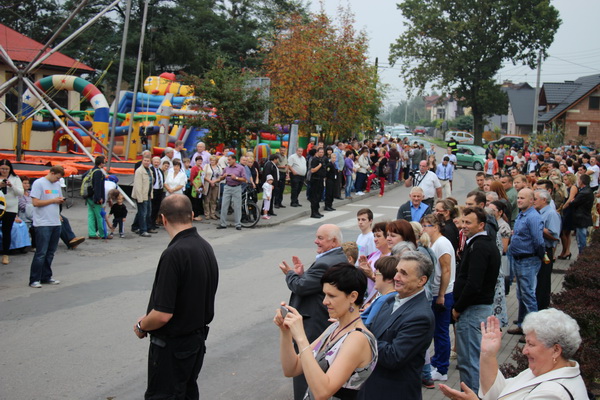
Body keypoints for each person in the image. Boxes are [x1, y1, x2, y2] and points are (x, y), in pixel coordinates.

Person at [133, 194, 219, 400]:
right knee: (187, 393)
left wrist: (142, 326)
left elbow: (163, 314)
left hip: (173, 347)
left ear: (163, 219)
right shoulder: (204, 246)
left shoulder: (174, 253)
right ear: (192, 215)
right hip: (195, 342)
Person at [275, 263, 378, 400]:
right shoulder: (335, 328)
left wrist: (300, 336)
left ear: (353, 296)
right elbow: (291, 369)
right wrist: (285, 332)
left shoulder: (358, 338)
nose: (325, 301)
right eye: (325, 295)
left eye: (332, 296)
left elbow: (322, 392)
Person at [439, 309, 588, 400]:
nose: (524, 350)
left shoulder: (554, 393)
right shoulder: (541, 371)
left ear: (556, 350)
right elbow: (499, 392)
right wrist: (488, 354)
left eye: (531, 344)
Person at [279, 224, 348, 400]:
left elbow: (301, 287)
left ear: (334, 241)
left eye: (320, 238)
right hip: (322, 321)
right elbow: (313, 284)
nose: (315, 241)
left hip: (314, 325)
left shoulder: (326, 263)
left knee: (306, 369)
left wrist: (290, 274)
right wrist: (302, 274)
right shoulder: (337, 257)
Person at [358, 251, 435, 400]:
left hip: (394, 393)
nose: (396, 277)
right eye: (397, 271)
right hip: (370, 388)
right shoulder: (390, 300)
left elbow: (394, 357)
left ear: (421, 280)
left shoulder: (421, 316)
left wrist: (360, 335)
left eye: (404, 273)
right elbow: (371, 329)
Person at [453, 207, 501, 395]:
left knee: (469, 361)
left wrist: (458, 307)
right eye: (463, 222)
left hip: (473, 311)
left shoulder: (479, 247)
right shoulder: (478, 243)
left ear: (481, 225)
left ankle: (472, 395)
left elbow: (474, 284)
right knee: (471, 360)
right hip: (476, 309)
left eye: (468, 223)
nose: (464, 226)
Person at [421, 213, 456, 382]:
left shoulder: (442, 243)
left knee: (441, 332)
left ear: (435, 227)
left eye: (426, 226)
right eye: (422, 226)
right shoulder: (433, 243)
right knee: (436, 331)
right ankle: (436, 362)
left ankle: (442, 369)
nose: (423, 229)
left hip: (442, 293)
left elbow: (446, 270)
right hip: (435, 292)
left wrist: (441, 294)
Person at [506, 189, 545, 337]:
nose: (519, 200)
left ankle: (533, 332)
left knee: (528, 295)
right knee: (521, 295)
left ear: (531, 200)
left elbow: (538, 241)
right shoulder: (522, 214)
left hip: (528, 260)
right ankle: (522, 325)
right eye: (518, 197)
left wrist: (538, 257)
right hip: (518, 259)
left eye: (523, 198)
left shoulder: (533, 217)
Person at [28, 166, 65, 288]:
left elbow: (57, 199)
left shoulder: (57, 185)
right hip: (42, 222)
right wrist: (53, 200)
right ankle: (34, 278)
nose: (57, 180)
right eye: (57, 177)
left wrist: (59, 204)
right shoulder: (39, 183)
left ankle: (46, 276)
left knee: (50, 252)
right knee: (41, 253)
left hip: (55, 221)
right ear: (52, 173)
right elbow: (35, 202)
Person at [533, 190, 560, 311]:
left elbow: (555, 235)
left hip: (546, 251)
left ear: (544, 200)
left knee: (543, 282)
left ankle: (542, 308)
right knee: (537, 282)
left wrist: (539, 227)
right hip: (537, 251)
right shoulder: (538, 212)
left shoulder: (551, 213)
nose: (533, 201)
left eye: (535, 199)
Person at [358, 222, 391, 305]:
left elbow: (387, 283)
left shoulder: (391, 257)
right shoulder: (374, 255)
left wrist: (371, 274)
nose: (375, 239)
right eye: (374, 236)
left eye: (378, 236)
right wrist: (363, 269)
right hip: (368, 298)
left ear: (388, 237)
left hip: (380, 300)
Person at [0, 159, 24, 265]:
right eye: (2, 169)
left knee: (7, 231)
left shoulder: (15, 178)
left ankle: (6, 255)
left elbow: (20, 193)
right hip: (0, 207)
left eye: (6, 169)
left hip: (10, 208)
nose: (4, 171)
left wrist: (11, 186)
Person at [217, 154, 247, 230]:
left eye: (229, 160)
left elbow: (244, 179)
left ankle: (238, 224)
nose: (228, 161)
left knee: (237, 206)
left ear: (234, 160)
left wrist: (235, 178)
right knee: (224, 205)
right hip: (227, 187)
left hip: (237, 187)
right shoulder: (226, 168)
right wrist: (223, 176)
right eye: (228, 160)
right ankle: (223, 223)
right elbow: (220, 178)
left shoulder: (240, 168)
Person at [568, 174, 594, 254]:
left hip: (581, 218)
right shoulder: (586, 190)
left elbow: (573, 203)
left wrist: (572, 201)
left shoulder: (584, 192)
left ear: (581, 181)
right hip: (582, 217)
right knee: (580, 238)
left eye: (578, 180)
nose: (577, 182)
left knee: (581, 239)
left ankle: (582, 254)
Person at [131, 157, 154, 238]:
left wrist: (151, 194)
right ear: (142, 161)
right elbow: (138, 185)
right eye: (145, 161)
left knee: (145, 212)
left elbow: (150, 184)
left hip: (147, 195)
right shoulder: (139, 171)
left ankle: (135, 227)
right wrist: (139, 198)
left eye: (148, 161)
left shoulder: (150, 171)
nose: (147, 162)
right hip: (141, 195)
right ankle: (143, 230)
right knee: (143, 213)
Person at [557, 174, 578, 259]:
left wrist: (563, 207)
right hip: (565, 210)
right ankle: (565, 251)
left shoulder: (573, 187)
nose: (564, 181)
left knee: (565, 232)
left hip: (569, 211)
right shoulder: (565, 187)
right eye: (564, 179)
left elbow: (570, 199)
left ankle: (566, 251)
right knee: (565, 232)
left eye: (566, 179)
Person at [87, 156, 106, 239]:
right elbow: (97, 186)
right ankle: (103, 234)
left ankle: (92, 233)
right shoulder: (98, 172)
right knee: (99, 216)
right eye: (104, 162)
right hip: (95, 197)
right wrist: (99, 198)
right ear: (101, 163)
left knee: (91, 216)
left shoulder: (91, 170)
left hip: (89, 196)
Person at [309, 147, 327, 219]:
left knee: (319, 197)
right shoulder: (315, 160)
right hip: (315, 180)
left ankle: (317, 211)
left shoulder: (322, 159)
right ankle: (313, 212)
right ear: (317, 152)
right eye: (320, 152)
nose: (321, 154)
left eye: (322, 152)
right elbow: (312, 170)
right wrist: (319, 166)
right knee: (314, 197)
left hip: (321, 180)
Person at [202, 155, 221, 220]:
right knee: (207, 199)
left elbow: (220, 177)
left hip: (216, 184)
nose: (212, 161)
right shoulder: (207, 166)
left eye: (213, 160)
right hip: (208, 184)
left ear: (216, 161)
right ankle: (207, 214)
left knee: (214, 200)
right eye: (211, 160)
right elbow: (203, 175)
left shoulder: (219, 167)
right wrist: (210, 181)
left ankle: (213, 213)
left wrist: (215, 181)